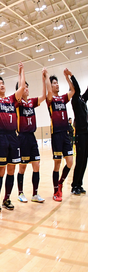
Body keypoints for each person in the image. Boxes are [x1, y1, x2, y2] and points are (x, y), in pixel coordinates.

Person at [0, 59, 25, 211]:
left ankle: (7, 199)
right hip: (1, 137)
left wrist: (21, 71)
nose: (2, 85)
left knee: (11, 170)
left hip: (13, 137)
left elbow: (22, 87)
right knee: (1, 171)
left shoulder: (11, 99)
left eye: (3, 83)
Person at [15, 68, 48, 204]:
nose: (26, 88)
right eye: (24, 87)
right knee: (22, 167)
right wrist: (21, 73)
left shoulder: (31, 102)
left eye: (27, 86)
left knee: (36, 165)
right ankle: (20, 193)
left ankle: (35, 194)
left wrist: (43, 80)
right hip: (22, 138)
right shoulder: (17, 102)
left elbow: (44, 96)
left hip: (32, 137)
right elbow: (20, 87)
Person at [45, 69, 75, 201]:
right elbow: (48, 91)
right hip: (56, 134)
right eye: (54, 83)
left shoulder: (63, 98)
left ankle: (60, 183)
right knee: (57, 164)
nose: (57, 84)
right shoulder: (50, 99)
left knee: (70, 162)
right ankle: (56, 191)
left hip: (65, 134)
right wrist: (46, 77)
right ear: (50, 86)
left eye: (57, 83)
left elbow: (73, 90)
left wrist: (67, 77)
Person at [68, 71, 87, 196]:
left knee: (84, 160)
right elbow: (78, 89)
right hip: (80, 134)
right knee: (80, 160)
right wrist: (71, 75)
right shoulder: (75, 100)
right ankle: (74, 185)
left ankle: (79, 184)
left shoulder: (81, 100)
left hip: (86, 134)